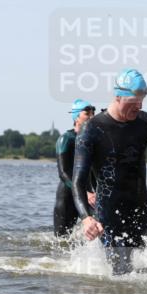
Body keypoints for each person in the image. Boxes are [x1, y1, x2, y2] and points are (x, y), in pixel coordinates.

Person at [72, 68, 147, 274]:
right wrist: (86, 219)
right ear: (118, 97)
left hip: (142, 213)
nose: (139, 106)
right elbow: (78, 181)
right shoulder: (92, 129)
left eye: (142, 100)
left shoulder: (146, 123)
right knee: (121, 278)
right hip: (109, 216)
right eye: (134, 101)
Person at [54, 99, 97, 236]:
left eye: (93, 114)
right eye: (87, 114)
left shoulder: (93, 140)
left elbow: (94, 172)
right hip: (67, 196)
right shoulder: (66, 139)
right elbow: (63, 173)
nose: (91, 117)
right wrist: (85, 192)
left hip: (88, 195)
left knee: (100, 226)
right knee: (62, 240)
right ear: (76, 117)